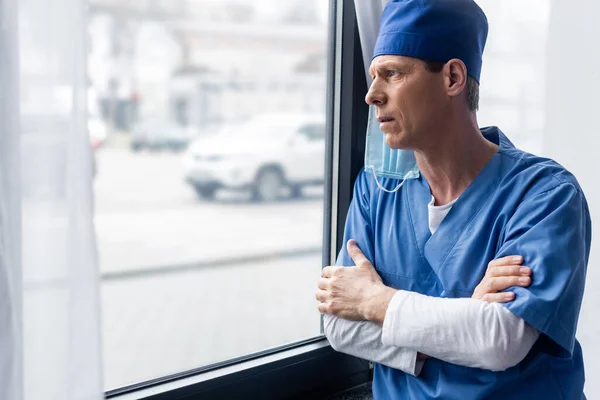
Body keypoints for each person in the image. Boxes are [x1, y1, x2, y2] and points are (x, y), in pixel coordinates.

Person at [315, 0, 590, 399]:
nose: (372, 95)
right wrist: (463, 318)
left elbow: (499, 339)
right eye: (374, 77)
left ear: (453, 77)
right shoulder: (377, 189)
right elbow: (339, 325)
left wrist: (375, 301)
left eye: (391, 74)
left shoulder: (545, 195)